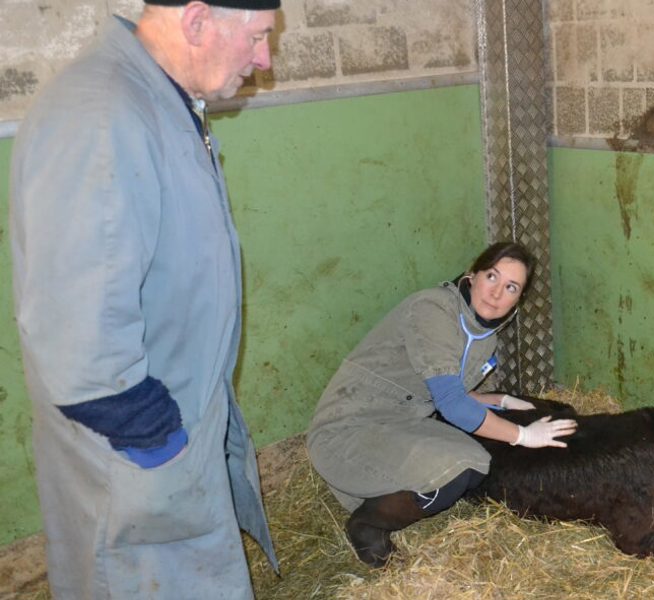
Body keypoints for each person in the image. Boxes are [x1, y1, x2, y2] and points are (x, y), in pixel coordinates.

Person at [8, 1, 280, 597]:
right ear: (198, 21)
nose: (264, 59)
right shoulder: (103, 116)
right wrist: (158, 442)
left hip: (162, 433)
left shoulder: (155, 97)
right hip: (134, 453)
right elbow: (78, 324)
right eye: (258, 37)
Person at [307, 241, 577, 568]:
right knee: (458, 468)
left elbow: (446, 389)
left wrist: (500, 400)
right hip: (348, 429)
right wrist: (522, 434)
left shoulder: (485, 338)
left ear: (518, 300)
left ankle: (381, 495)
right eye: (492, 276)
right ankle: (368, 524)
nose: (496, 293)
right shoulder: (432, 310)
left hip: (400, 423)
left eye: (511, 287)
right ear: (472, 275)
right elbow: (452, 405)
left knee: (477, 461)